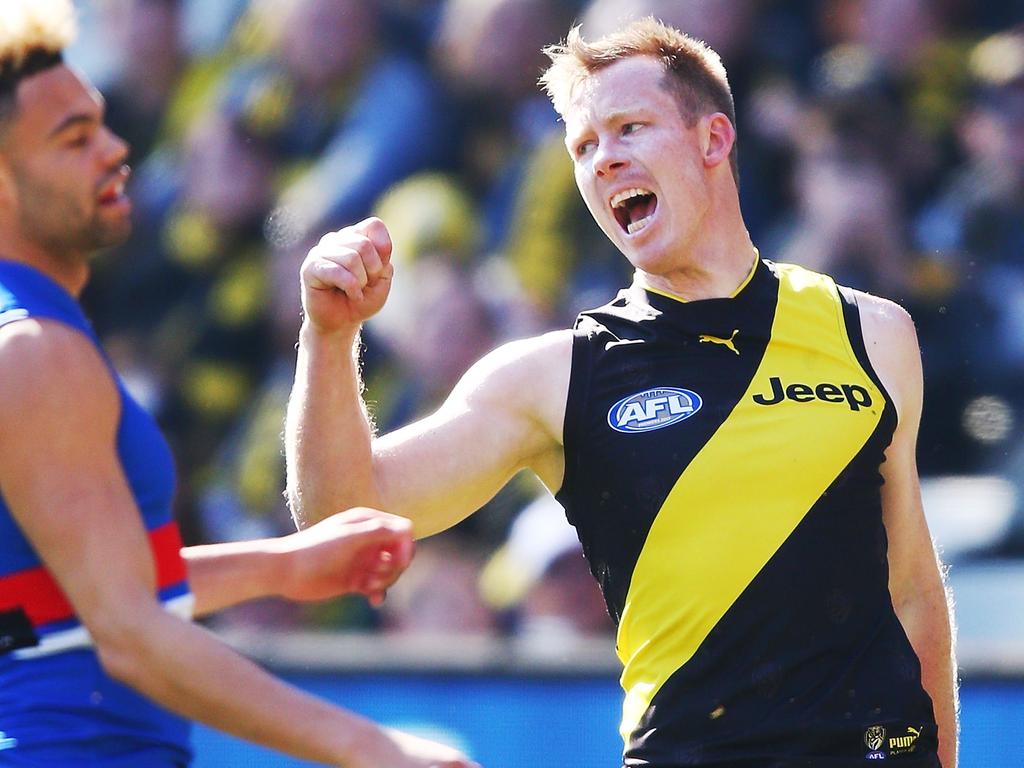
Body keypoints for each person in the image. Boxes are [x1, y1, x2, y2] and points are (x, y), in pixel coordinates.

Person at [287, 17, 959, 768]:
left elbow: (913, 593)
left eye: (628, 128)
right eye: (582, 147)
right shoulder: (553, 377)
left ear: (713, 141)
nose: (603, 161)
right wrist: (330, 338)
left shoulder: (873, 333)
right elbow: (338, 514)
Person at [0, 3, 478, 767]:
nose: (117, 150)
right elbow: (126, 632)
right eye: (76, 138)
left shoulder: (29, 336)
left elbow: (61, 594)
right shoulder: (32, 350)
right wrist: (371, 747)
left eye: (105, 125)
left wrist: (281, 567)